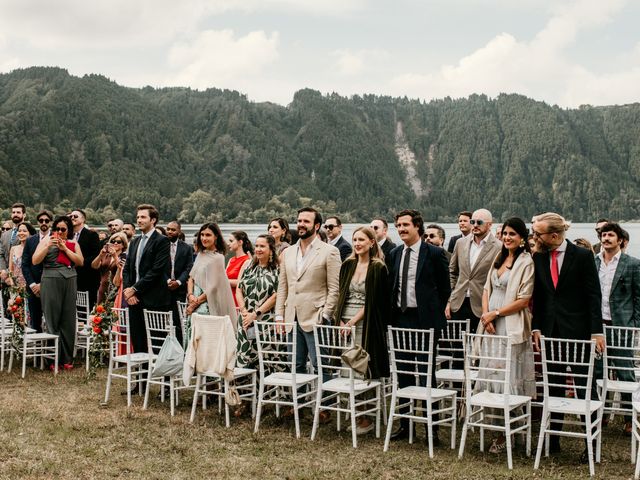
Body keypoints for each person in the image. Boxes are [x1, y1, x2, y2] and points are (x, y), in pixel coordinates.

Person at [531, 212, 603, 459]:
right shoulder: (539, 257)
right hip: (551, 332)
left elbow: (594, 296)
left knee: (585, 387)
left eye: (537, 233)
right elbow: (539, 297)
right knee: (556, 386)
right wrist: (537, 328)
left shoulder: (582, 256)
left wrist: (596, 332)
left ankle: (590, 444)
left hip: (579, 332)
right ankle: (554, 440)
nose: (534, 237)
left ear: (554, 235)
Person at [387, 209, 451, 443]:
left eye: (405, 225)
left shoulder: (434, 253)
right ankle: (406, 426)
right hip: (400, 318)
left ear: (417, 227)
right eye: (398, 226)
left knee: (426, 374)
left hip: (425, 320)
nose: (401, 229)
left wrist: (433, 310)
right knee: (403, 373)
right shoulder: (394, 253)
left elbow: (445, 288)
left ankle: (431, 429)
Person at [475, 217, 536, 453]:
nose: (507, 237)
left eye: (512, 234)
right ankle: (496, 428)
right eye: (505, 234)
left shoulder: (526, 262)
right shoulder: (498, 258)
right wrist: (486, 315)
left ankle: (510, 431)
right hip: (490, 323)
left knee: (508, 377)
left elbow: (523, 299)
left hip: (509, 324)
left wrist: (496, 313)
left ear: (522, 238)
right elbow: (486, 289)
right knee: (491, 375)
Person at [275, 207, 341, 422]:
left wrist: (326, 314)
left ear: (317, 226)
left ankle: (325, 407)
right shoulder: (288, 252)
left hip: (316, 316)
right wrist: (279, 316)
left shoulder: (329, 251)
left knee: (321, 363)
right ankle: (300, 403)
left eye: (306, 221)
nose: (301, 224)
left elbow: (335, 288)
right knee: (296, 363)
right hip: (291, 316)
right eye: (299, 220)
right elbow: (283, 287)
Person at [333, 226, 390, 434]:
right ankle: (355, 412)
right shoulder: (348, 264)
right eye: (355, 239)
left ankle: (367, 417)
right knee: (346, 365)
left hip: (365, 321)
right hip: (345, 320)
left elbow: (374, 300)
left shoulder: (378, 267)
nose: (357, 243)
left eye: (362, 240)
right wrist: (340, 320)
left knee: (361, 366)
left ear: (371, 243)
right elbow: (341, 294)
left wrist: (352, 322)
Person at [594, 221, 640, 434]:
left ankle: (629, 418)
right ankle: (599, 414)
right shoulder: (594, 262)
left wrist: (634, 324)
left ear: (620, 239)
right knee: (598, 372)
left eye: (610, 235)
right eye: (603, 235)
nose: (606, 239)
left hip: (621, 326)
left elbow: (638, 297)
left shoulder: (632, 264)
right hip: (598, 325)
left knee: (625, 372)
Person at [32, 215, 84, 371]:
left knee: (68, 320)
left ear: (68, 231)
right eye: (57, 229)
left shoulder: (73, 243)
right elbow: (35, 261)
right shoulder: (45, 241)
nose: (60, 232)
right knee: (52, 319)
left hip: (70, 279)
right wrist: (48, 246)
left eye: (63, 229)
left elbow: (80, 262)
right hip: (50, 279)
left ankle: (67, 358)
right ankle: (52, 359)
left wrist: (65, 248)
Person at [122, 204, 171, 355]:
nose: (139, 220)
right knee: (138, 342)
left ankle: (159, 377)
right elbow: (127, 269)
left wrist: (134, 288)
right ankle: (142, 377)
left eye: (143, 217)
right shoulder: (135, 242)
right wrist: (129, 291)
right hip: (134, 300)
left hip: (154, 299)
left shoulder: (162, 241)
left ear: (153, 220)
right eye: (138, 217)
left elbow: (156, 271)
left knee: (157, 342)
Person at [447, 209, 502, 333]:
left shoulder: (499, 247)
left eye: (479, 222)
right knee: (457, 348)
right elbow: (453, 272)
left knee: (479, 348)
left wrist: (490, 310)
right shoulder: (460, 243)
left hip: (482, 306)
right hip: (458, 304)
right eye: (473, 221)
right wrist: (451, 298)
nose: (475, 225)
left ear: (489, 224)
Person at [184, 223, 236, 347]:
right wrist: (190, 295)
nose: (204, 238)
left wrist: (195, 303)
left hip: (206, 305)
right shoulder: (200, 255)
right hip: (193, 300)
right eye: (202, 235)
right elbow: (191, 278)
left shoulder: (218, 258)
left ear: (216, 237)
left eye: (208, 235)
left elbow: (213, 287)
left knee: (203, 340)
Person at [235, 234, 280, 370]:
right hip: (244, 319)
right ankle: (245, 389)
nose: (258, 249)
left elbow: (276, 295)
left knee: (264, 358)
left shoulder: (277, 268)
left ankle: (266, 389)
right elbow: (239, 289)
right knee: (244, 354)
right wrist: (243, 311)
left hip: (265, 320)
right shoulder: (248, 265)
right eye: (257, 246)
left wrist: (255, 314)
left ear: (271, 249)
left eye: (262, 246)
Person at [22, 210, 53, 332]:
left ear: (51, 222)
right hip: (33, 287)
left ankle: (51, 347)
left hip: (50, 285)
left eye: (46, 220)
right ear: (38, 222)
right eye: (41, 221)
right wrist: (33, 284)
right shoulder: (30, 240)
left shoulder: (55, 239)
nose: (44, 223)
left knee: (51, 320)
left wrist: (43, 284)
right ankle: (37, 348)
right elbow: (25, 265)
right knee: (35, 321)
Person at [166, 221, 194, 345]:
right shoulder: (161, 245)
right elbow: (158, 267)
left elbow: (189, 267)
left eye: (173, 230)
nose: (170, 232)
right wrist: (167, 280)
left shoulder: (187, 248)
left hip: (180, 289)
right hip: (164, 288)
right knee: (163, 319)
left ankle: (179, 347)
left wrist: (178, 281)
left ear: (179, 231)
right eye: (168, 229)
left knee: (179, 320)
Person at [70, 209, 101, 308]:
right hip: (70, 278)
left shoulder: (91, 235)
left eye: (75, 216)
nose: (72, 218)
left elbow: (95, 255)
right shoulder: (68, 236)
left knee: (86, 308)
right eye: (70, 216)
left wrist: (78, 263)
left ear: (83, 219)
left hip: (87, 278)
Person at [91, 232, 128, 305]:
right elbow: (94, 266)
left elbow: (121, 270)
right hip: (102, 288)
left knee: (113, 313)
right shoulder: (106, 256)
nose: (115, 243)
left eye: (119, 242)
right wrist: (100, 255)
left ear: (123, 245)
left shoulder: (125, 257)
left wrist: (115, 256)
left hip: (116, 290)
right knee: (100, 312)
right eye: (113, 241)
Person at [226, 231, 253, 307]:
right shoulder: (231, 260)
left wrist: (222, 281)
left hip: (238, 299)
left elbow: (241, 282)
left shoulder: (247, 260)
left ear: (240, 242)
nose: (228, 243)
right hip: (227, 297)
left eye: (231, 241)